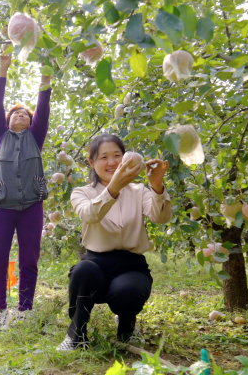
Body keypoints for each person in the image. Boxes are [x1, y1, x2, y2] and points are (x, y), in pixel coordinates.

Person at [57, 134, 171, 352]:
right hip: (96, 263)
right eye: (104, 157)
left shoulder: (139, 191)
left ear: (126, 158)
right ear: (91, 162)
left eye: (117, 155)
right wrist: (114, 189)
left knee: (129, 290)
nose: (111, 162)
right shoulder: (82, 192)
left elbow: (161, 217)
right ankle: (76, 334)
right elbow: (90, 214)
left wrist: (157, 187)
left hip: (131, 265)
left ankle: (127, 326)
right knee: (82, 272)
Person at [0, 53, 52, 330]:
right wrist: (3, 69)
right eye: (16, 113)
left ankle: (24, 310)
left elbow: (44, 107)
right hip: (1, 206)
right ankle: (0, 311)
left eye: (25, 113)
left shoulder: (35, 138)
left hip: (31, 206)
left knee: (29, 260)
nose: (21, 115)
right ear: (8, 119)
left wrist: (45, 77)